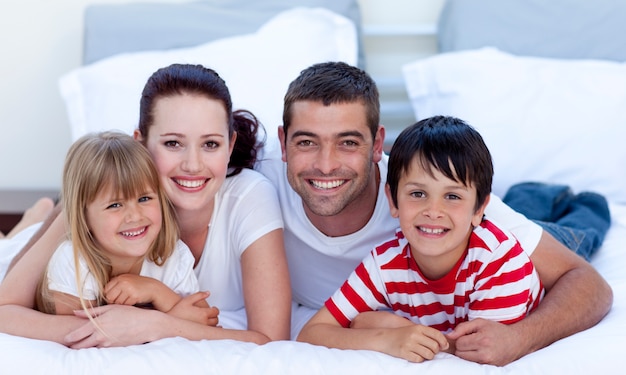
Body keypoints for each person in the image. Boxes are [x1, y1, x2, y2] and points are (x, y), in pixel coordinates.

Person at [257, 61, 612, 365]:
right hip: (436, 293)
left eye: (348, 142)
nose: (326, 164)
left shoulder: (443, 204)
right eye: (306, 142)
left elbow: (589, 284)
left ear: (378, 144)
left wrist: (520, 338)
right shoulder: (257, 184)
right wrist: (383, 335)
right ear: (283, 142)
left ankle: (562, 199)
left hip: (497, 260)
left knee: (576, 233)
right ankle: (529, 195)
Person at [0, 63, 291, 346]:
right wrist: (109, 326)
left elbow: (272, 342)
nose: (192, 165)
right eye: (173, 143)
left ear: (230, 145)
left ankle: (32, 220)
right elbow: (6, 309)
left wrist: (154, 325)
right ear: (140, 142)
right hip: (54, 240)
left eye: (211, 144)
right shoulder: (103, 204)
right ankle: (32, 221)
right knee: (13, 248)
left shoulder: (250, 198)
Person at [297, 116, 545, 362]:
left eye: (452, 196)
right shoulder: (385, 263)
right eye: (418, 193)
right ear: (393, 201)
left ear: (479, 208)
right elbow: (312, 333)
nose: (433, 211)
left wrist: (394, 326)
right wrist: (385, 338)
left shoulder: (499, 260)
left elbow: (482, 353)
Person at [37, 131, 212, 326]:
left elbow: (205, 319)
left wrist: (155, 290)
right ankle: (34, 216)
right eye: (114, 205)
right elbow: (81, 335)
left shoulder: (172, 256)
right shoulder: (74, 260)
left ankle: (37, 214)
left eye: (144, 199)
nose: (135, 216)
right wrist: (166, 317)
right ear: (84, 216)